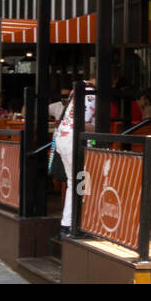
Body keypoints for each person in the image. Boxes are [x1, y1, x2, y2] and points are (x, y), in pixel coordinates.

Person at [53, 76, 96, 236]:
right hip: (74, 142)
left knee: (75, 182)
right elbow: (81, 123)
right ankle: (80, 224)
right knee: (84, 182)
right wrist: (103, 128)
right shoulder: (91, 94)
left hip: (63, 139)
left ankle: (68, 223)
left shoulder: (76, 90)